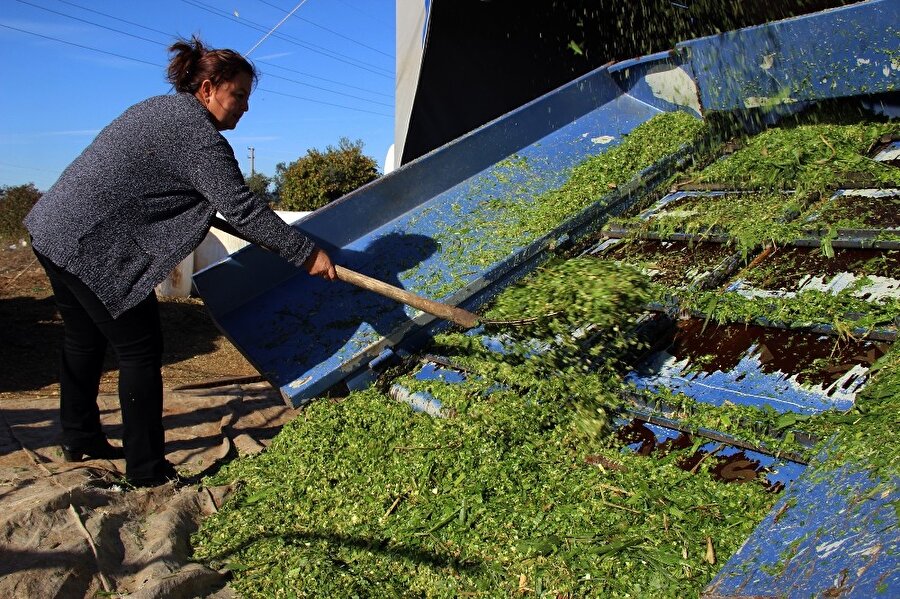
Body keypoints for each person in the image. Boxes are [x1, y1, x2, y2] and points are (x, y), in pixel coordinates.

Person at [24, 36, 336, 488]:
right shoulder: (198, 136)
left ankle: (80, 438)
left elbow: (173, 190)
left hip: (53, 228)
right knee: (140, 349)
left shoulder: (158, 110)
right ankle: (148, 471)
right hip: (89, 247)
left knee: (83, 338)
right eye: (239, 95)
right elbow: (243, 208)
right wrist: (305, 252)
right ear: (208, 89)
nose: (245, 108)